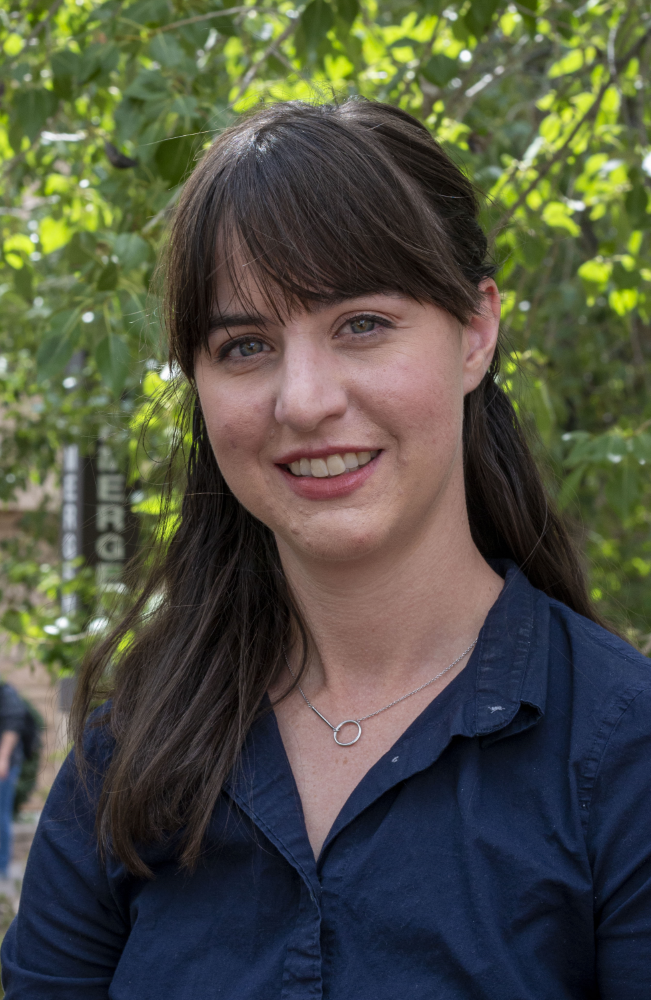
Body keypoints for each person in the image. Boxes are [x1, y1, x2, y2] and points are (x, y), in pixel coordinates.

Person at [3, 99, 650, 999]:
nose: (301, 400)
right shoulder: (130, 756)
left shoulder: (626, 754)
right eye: (245, 345)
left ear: (474, 332)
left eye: (361, 324)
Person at [0, 682, 24, 883]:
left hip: (4, 766)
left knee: (1, 815)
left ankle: (2, 869)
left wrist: (3, 758)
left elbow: (13, 724)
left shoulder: (6, 692)